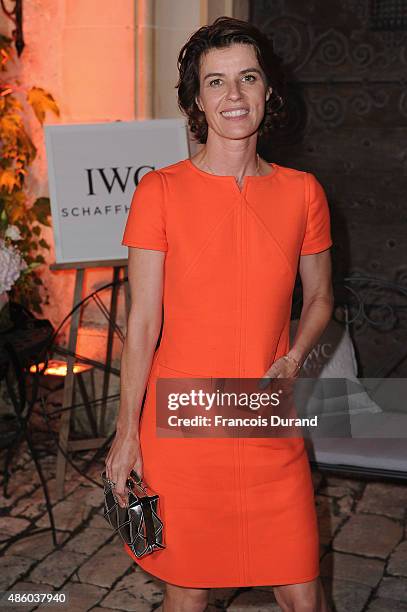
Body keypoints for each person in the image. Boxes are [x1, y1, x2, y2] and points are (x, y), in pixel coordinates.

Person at [106, 16, 333, 612]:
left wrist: (292, 356)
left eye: (247, 78)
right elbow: (144, 325)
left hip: (263, 414)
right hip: (183, 424)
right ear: (197, 100)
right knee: (189, 594)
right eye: (216, 82)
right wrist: (128, 432)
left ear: (267, 92)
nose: (233, 96)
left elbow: (320, 299)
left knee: (302, 591)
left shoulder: (303, 192)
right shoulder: (159, 192)